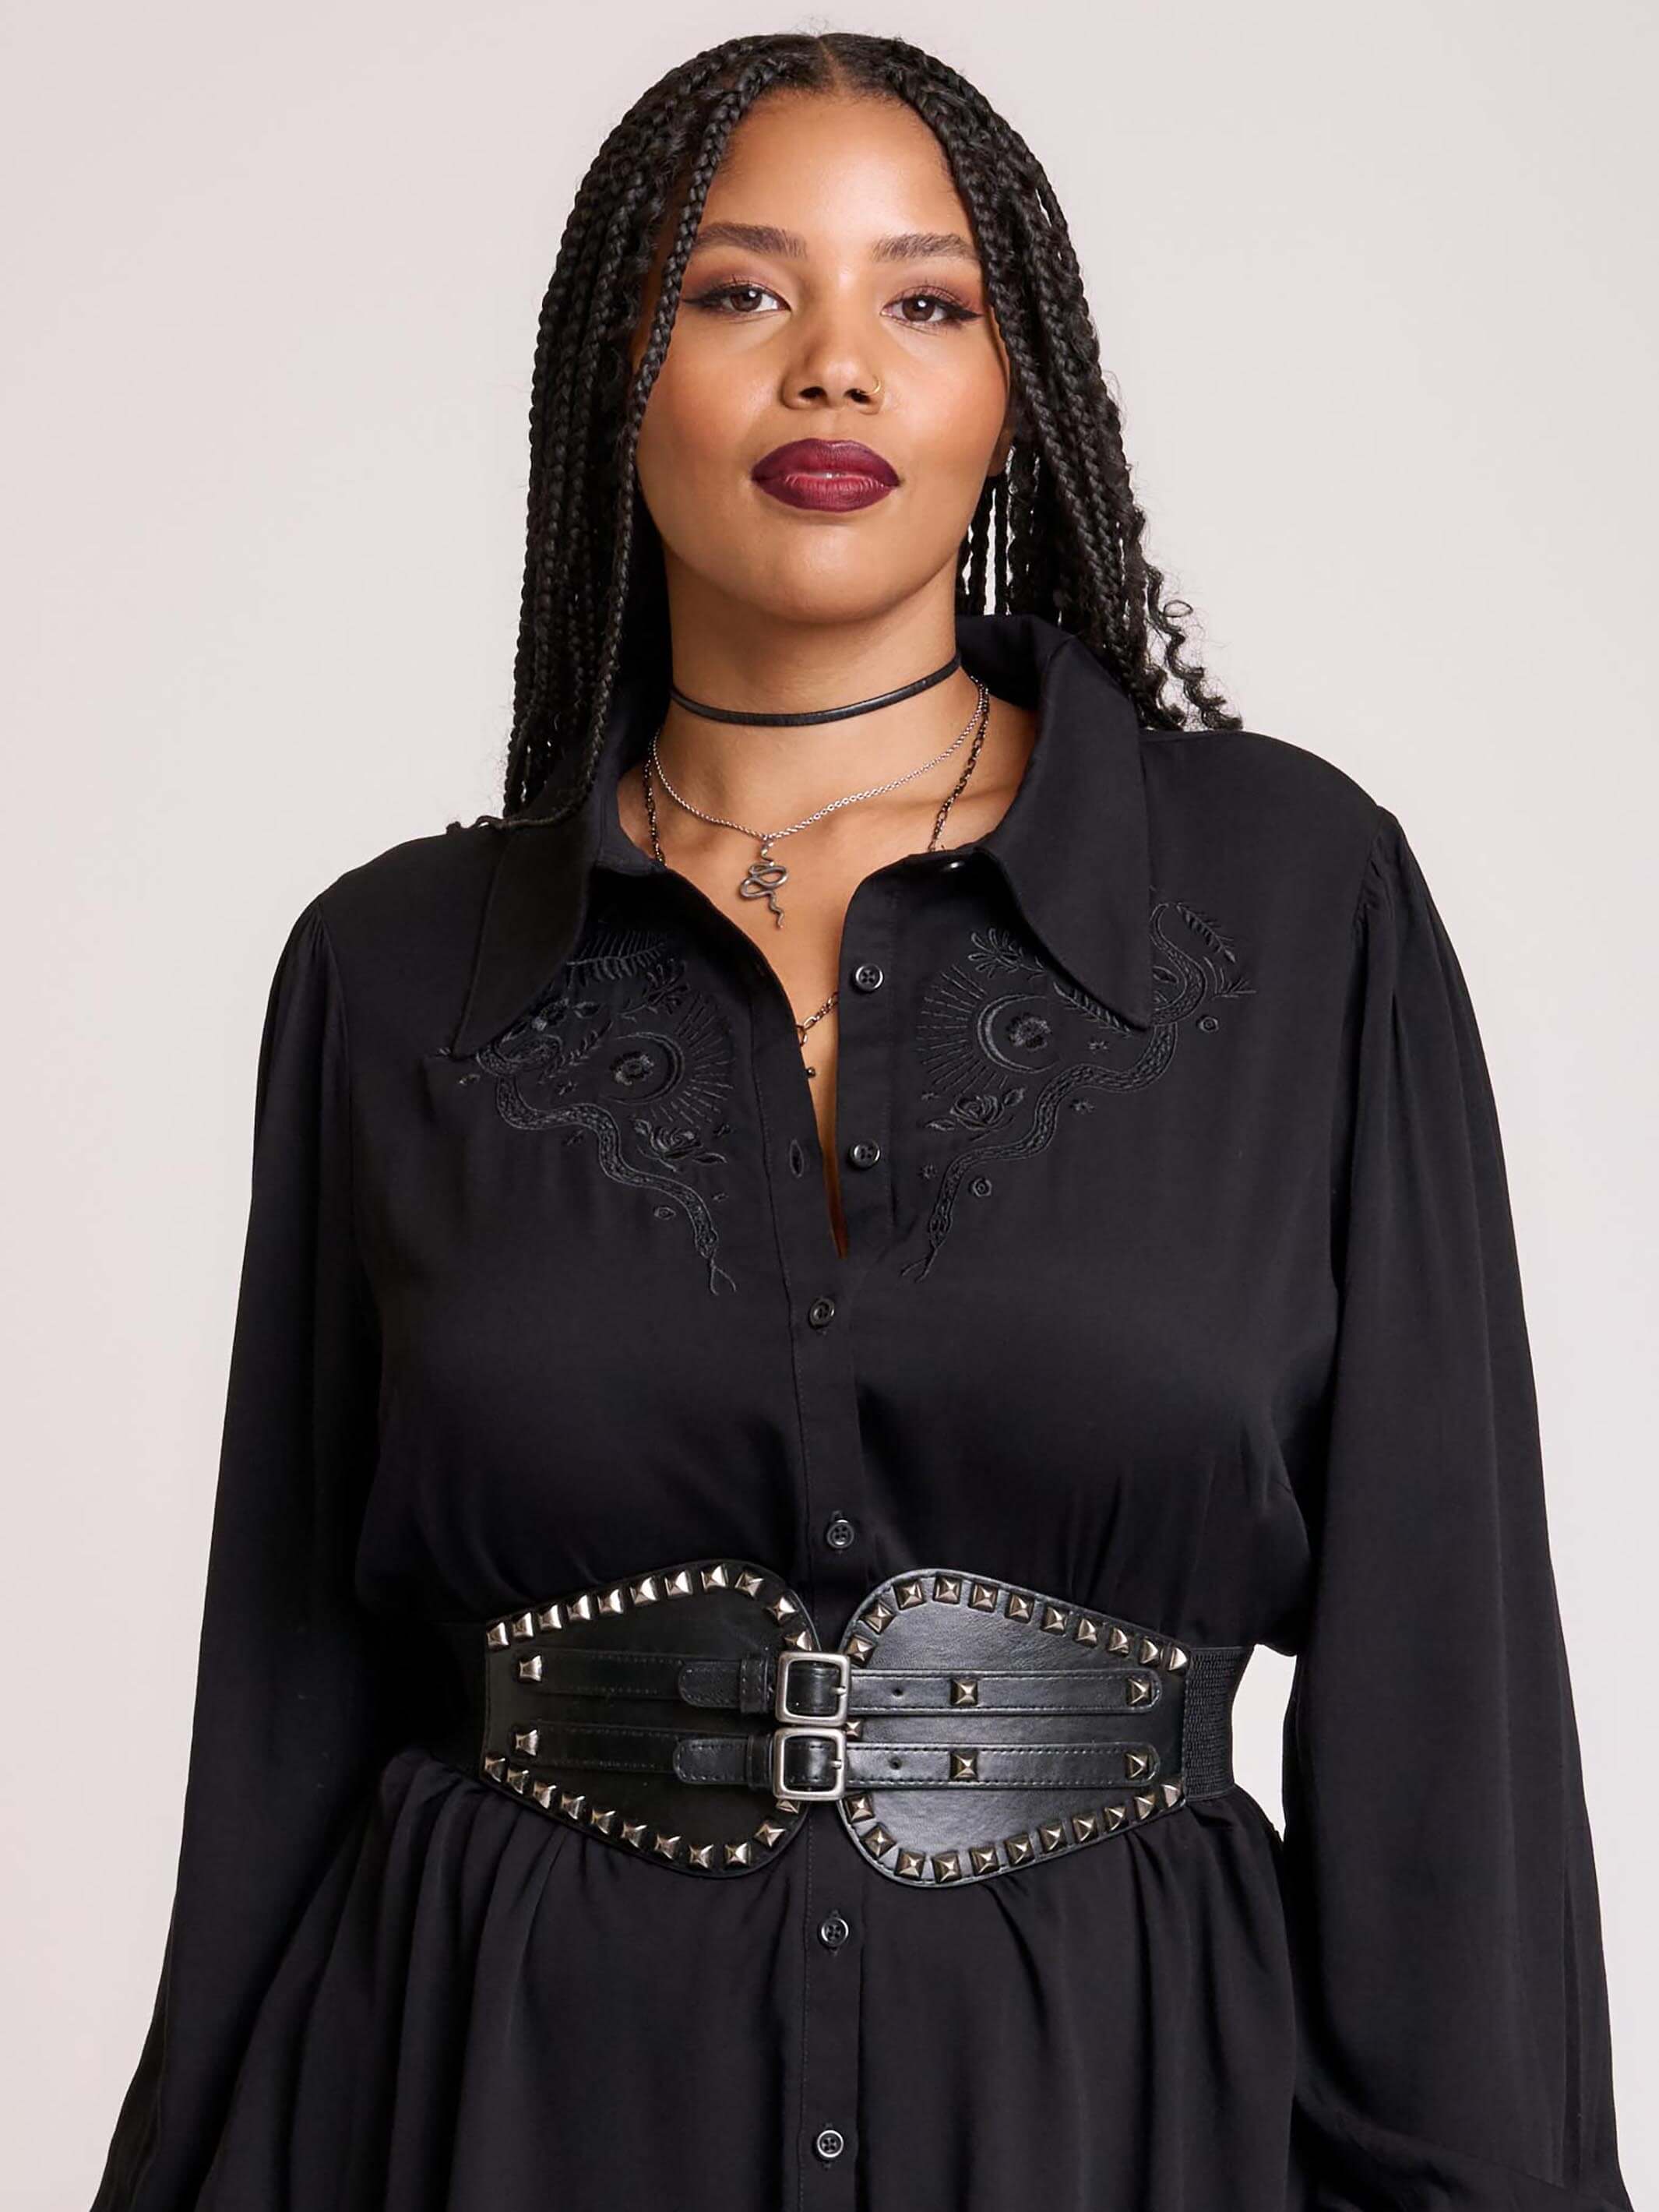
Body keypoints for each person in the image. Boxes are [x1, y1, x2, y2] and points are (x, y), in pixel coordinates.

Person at [90, 29, 1633, 2212]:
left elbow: (1443, 1691)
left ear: (1018, 388)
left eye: (925, 300)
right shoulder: (393, 973)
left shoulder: (1295, 903)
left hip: (1114, 2114)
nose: (835, 365)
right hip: (501, 2110)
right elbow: (281, 1717)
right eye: (737, 290)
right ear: (612, 371)